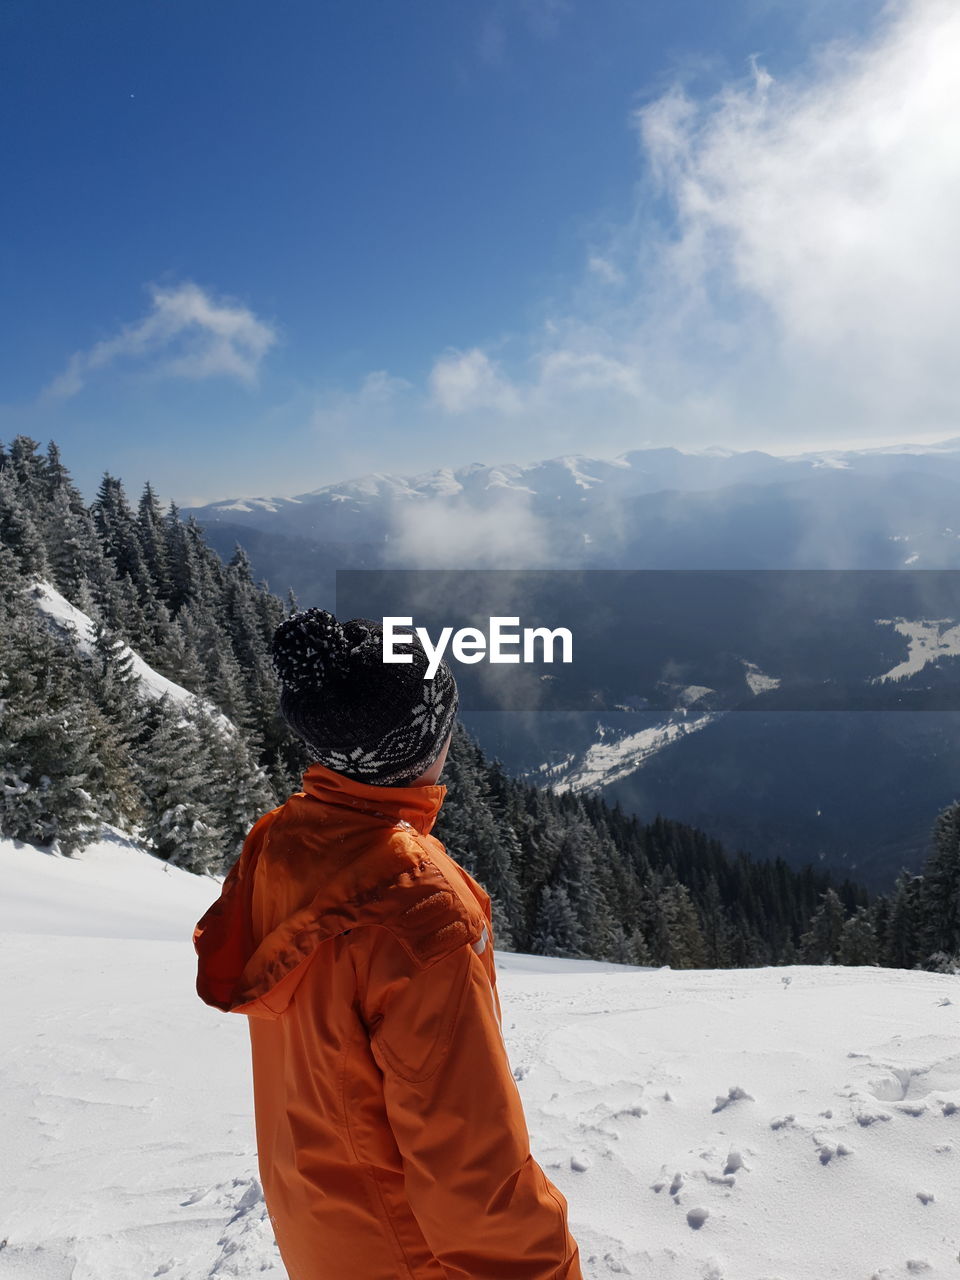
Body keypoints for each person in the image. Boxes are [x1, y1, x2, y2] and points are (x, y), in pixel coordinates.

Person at [193, 607, 583, 1280]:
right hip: (411, 1256)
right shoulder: (418, 913)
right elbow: (475, 1184)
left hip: (327, 1235)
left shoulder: (279, 845)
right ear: (419, 745)